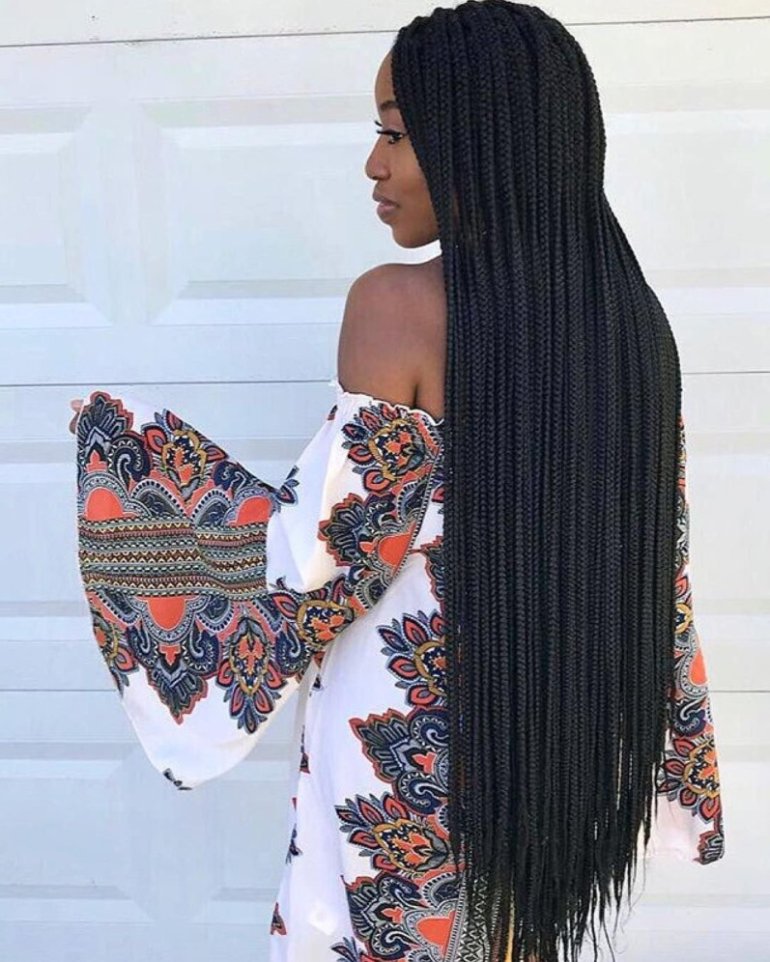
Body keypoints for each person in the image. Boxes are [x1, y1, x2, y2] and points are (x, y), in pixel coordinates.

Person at [68, 2, 725, 960]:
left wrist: (134, 471)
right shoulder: (634, 327)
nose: (372, 165)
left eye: (394, 132)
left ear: (478, 137)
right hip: (554, 748)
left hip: (403, 759)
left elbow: (325, 559)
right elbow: (656, 568)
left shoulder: (397, 308)